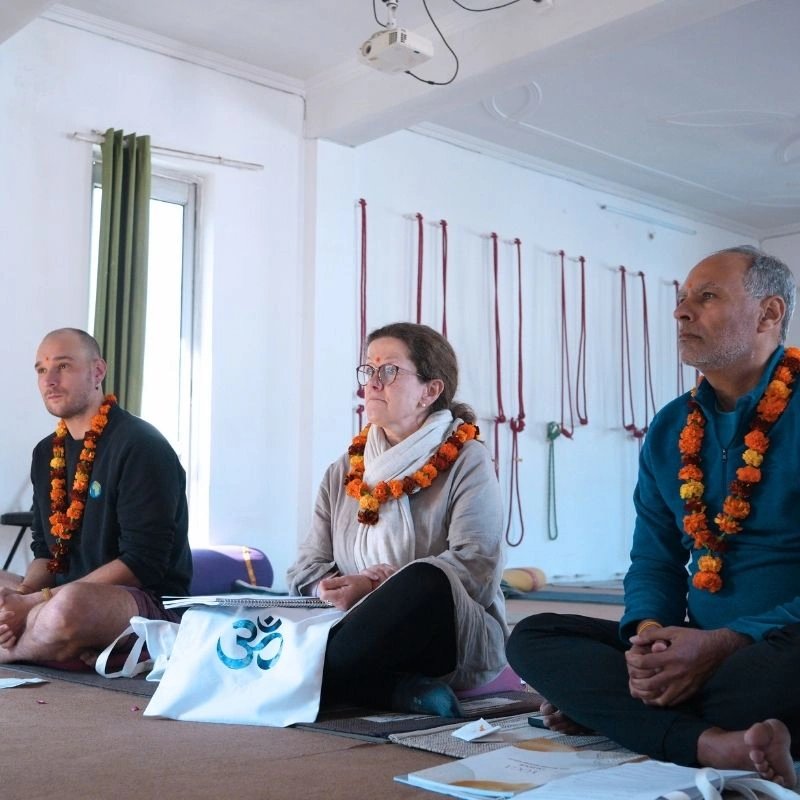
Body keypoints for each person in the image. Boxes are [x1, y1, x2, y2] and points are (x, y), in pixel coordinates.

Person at [507, 246, 799, 788]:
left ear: (769, 314)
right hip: (700, 643)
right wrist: (651, 641)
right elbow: (654, 560)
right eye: (682, 299)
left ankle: (628, 716)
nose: (681, 312)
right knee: (533, 637)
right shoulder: (670, 427)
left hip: (777, 647)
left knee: (766, 680)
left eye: (707, 297)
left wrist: (723, 645)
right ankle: (714, 741)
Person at [287, 322, 507, 717]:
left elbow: (477, 567)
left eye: (388, 371)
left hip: (445, 633)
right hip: (346, 623)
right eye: (368, 370)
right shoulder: (343, 471)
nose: (372, 383)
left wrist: (372, 587)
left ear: (430, 391)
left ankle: (313, 677)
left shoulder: (466, 459)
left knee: (427, 581)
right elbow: (304, 568)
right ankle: (387, 689)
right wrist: (335, 588)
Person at [0, 328, 192, 667]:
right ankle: (57, 647)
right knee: (29, 596)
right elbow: (46, 552)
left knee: (70, 608)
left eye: (63, 366)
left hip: (140, 599)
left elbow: (141, 563)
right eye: (41, 370)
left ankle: (31, 647)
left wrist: (31, 606)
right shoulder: (46, 452)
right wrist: (22, 596)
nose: (50, 380)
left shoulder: (141, 445)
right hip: (57, 593)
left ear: (97, 372)